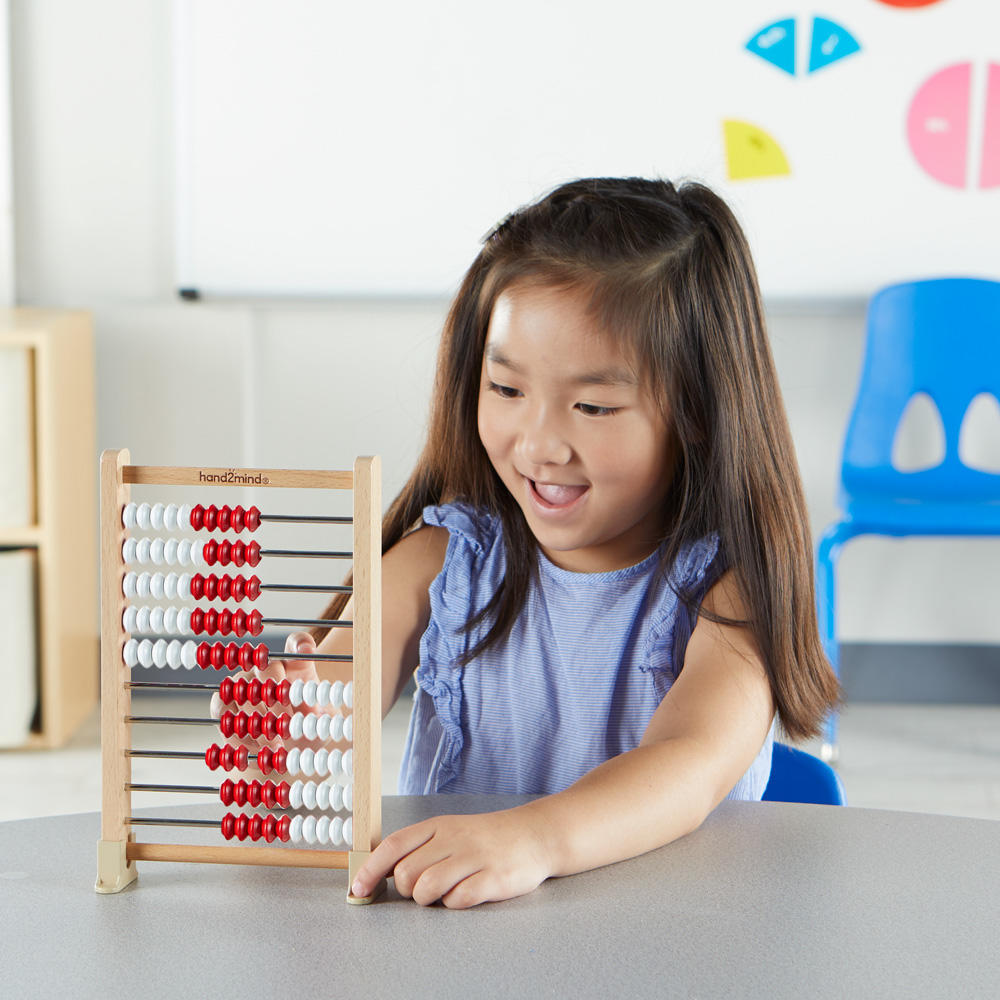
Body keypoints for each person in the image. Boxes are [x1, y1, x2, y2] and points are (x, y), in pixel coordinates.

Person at [265, 177, 840, 907]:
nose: (538, 444)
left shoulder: (728, 589)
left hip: (683, 941)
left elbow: (689, 763)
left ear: (698, 409)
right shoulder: (442, 563)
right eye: (505, 390)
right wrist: (304, 723)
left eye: (593, 405)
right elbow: (342, 682)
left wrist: (535, 839)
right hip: (466, 947)